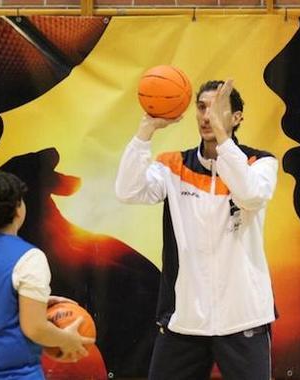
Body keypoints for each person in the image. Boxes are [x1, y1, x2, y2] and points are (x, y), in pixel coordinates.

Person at [115, 79, 278, 379]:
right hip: (185, 319)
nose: (207, 116)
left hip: (243, 318)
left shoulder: (260, 162)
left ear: (237, 117)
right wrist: (145, 132)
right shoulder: (174, 165)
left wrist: (223, 141)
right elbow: (127, 190)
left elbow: (250, 196)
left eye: (216, 109)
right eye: (202, 108)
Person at [0, 170, 94, 379]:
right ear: (18, 209)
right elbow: (35, 328)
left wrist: (35, 301)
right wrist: (66, 339)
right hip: (11, 374)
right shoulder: (30, 257)